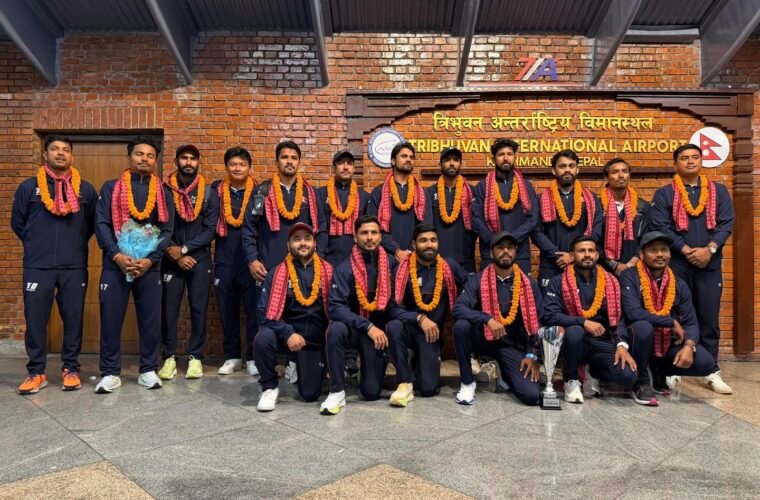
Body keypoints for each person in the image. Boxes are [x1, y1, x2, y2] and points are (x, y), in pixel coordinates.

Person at [12, 135, 98, 394]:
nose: (61, 153)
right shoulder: (29, 188)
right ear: (45, 154)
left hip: (74, 266)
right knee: (35, 320)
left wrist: (74, 247)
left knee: (73, 319)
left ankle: (70, 368)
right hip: (37, 266)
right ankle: (36, 372)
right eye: (55, 149)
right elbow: (18, 223)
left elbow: (90, 226)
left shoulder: (86, 190)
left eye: (66, 150)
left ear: (72, 155)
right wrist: (37, 245)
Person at [648, 144, 735, 394]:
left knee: (708, 318)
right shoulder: (665, 194)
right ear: (676, 164)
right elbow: (660, 226)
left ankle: (710, 371)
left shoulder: (718, 191)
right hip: (677, 265)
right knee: (675, 316)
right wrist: (686, 250)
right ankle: (673, 368)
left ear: (701, 161)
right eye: (684, 158)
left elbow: (726, 223)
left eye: (694, 157)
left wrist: (710, 249)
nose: (690, 161)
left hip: (710, 265)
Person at [94, 135, 174, 393]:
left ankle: (148, 370)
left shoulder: (163, 192)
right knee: (111, 319)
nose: (144, 159)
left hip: (148, 267)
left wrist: (150, 260)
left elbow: (167, 230)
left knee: (150, 320)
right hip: (115, 265)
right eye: (139, 154)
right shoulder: (111, 188)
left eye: (150, 155)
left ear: (155, 160)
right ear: (129, 157)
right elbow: (101, 224)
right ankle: (109, 372)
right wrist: (117, 255)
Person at [243, 140, 326, 381]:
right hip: (268, 267)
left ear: (299, 162)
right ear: (277, 161)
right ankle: (267, 366)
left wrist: (318, 260)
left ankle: (293, 361)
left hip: (303, 268)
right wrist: (252, 259)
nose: (289, 161)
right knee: (264, 315)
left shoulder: (310, 193)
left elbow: (321, 228)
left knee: (300, 314)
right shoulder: (263, 191)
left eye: (293, 157)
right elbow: (249, 229)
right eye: (284, 157)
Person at [544, 236, 645, 405]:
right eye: (581, 251)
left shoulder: (612, 282)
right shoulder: (558, 281)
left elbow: (619, 318)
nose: (587, 254)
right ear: (572, 255)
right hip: (573, 342)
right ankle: (571, 379)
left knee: (628, 376)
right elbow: (550, 315)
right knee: (575, 331)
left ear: (597, 255)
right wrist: (583, 322)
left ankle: (592, 372)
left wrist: (621, 345)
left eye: (591, 250)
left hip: (601, 341)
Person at [452, 232, 543, 406]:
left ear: (515, 252)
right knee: (461, 326)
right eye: (500, 247)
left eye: (510, 248)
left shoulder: (529, 284)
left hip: (511, 345)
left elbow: (538, 321)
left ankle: (503, 370)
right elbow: (458, 308)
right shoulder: (477, 280)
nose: (506, 251)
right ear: (491, 253)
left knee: (531, 396)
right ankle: (467, 383)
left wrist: (532, 353)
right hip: (483, 341)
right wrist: (486, 319)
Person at [620, 231, 716, 397]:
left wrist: (689, 345)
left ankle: (660, 372)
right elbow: (633, 313)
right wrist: (670, 322)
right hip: (638, 341)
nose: (660, 254)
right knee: (642, 327)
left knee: (706, 363)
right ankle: (641, 381)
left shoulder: (678, 283)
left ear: (670, 254)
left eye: (664, 250)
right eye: (653, 250)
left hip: (667, 342)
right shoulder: (629, 276)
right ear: (642, 254)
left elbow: (691, 322)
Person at [253, 223, 332, 411]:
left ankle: (301, 365)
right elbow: (264, 311)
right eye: (297, 239)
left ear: (314, 243)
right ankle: (269, 387)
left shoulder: (328, 271)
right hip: (285, 336)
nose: (302, 243)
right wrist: (288, 333)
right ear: (288, 245)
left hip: (314, 341)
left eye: (307, 238)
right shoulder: (276, 272)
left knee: (310, 394)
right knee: (263, 338)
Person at [319, 215, 393, 415]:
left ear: (381, 236)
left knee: (371, 393)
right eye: (364, 233)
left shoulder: (391, 265)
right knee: (335, 329)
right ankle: (337, 391)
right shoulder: (344, 268)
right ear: (355, 236)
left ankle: (370, 369)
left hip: (378, 336)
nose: (369, 237)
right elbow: (336, 307)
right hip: (353, 329)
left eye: (374, 233)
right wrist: (367, 326)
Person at [386, 224, 466, 406]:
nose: (429, 244)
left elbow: (470, 287)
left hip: (431, 336)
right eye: (423, 240)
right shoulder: (401, 270)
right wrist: (420, 318)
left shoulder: (449, 266)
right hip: (407, 329)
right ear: (414, 245)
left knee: (428, 389)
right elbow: (392, 309)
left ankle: (417, 361)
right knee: (393, 326)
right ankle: (404, 382)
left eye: (433, 240)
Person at [158, 145, 218, 380]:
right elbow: (157, 225)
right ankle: (169, 357)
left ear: (198, 162)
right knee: (169, 310)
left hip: (199, 258)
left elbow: (210, 230)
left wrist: (184, 250)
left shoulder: (209, 193)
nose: (189, 162)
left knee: (198, 309)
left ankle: (195, 357)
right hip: (170, 258)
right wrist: (174, 253)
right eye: (184, 158)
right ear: (176, 161)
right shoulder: (163, 190)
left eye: (193, 158)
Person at [532, 150, 604, 293]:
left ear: (577, 169)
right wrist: (556, 255)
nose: (567, 170)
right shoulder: (541, 199)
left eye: (571, 166)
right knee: (549, 303)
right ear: (554, 170)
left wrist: (573, 256)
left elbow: (596, 229)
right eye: (562, 166)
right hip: (551, 263)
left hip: (582, 263)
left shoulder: (591, 199)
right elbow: (536, 231)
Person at [214, 147, 258, 376]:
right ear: (227, 167)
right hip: (224, 260)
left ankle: (252, 357)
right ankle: (232, 356)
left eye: (242, 164)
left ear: (249, 167)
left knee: (253, 312)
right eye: (233, 164)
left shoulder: (259, 192)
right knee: (227, 311)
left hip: (251, 261)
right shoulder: (216, 191)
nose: (238, 168)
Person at [472, 138, 539, 273]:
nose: (506, 158)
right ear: (493, 159)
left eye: (509, 154)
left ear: (515, 157)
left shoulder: (526, 187)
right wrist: (495, 241)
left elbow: (532, 218)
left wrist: (512, 240)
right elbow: (476, 218)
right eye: (501, 154)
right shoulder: (482, 187)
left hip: (520, 253)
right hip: (491, 253)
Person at [368, 142, 429, 263]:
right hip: (384, 257)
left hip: (415, 257)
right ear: (393, 161)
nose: (409, 160)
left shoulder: (422, 193)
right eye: (404, 156)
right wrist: (395, 250)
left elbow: (426, 226)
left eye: (411, 157)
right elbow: (373, 227)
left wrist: (410, 250)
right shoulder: (379, 192)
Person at [425, 147, 477, 273]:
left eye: (456, 160)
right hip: (436, 262)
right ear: (440, 164)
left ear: (460, 164)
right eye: (447, 160)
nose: (452, 163)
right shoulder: (429, 193)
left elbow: (477, 225)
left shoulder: (472, 192)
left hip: (465, 262)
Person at [316, 150, 369, 266]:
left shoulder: (364, 196)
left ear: (353, 168)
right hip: (326, 258)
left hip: (355, 259)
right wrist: (319, 258)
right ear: (334, 168)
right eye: (341, 163)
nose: (345, 167)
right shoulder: (320, 194)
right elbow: (320, 227)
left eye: (349, 163)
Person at [598, 158, 649, 276]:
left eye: (625, 171)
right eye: (615, 172)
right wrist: (613, 265)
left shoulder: (642, 207)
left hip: (636, 268)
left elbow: (646, 237)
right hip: (603, 268)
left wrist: (631, 263)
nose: (621, 175)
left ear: (629, 176)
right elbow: (594, 240)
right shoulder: (597, 206)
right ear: (606, 178)